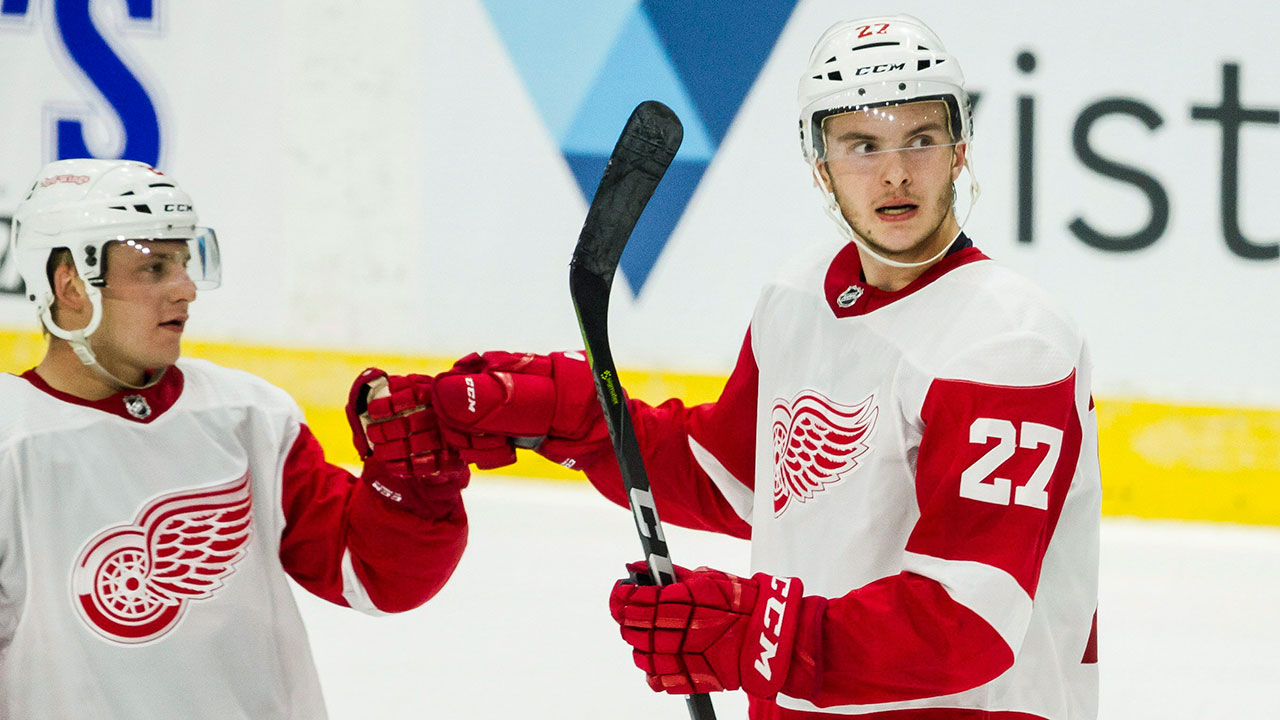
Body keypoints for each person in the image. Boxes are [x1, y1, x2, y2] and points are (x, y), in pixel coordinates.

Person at [426, 14, 1100, 720]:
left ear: (960, 149)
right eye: (862, 144)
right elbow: (744, 477)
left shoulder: (1008, 344)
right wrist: (582, 422)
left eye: (921, 139)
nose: (897, 171)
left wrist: (757, 633)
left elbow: (967, 622)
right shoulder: (799, 297)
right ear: (820, 162)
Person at [0, 158, 469, 718]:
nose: (186, 289)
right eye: (153, 268)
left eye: (184, 261)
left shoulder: (247, 414)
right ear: (70, 283)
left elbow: (372, 577)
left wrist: (410, 487)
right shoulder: (11, 443)